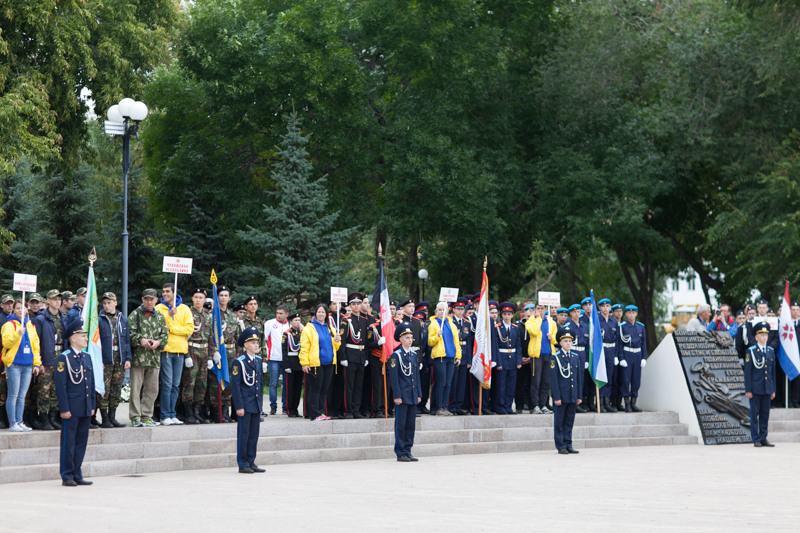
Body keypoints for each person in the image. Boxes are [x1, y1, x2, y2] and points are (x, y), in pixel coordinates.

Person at [54, 317, 95, 486]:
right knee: (69, 442)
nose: (86, 338)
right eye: (83, 336)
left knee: (81, 442)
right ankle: (67, 475)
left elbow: (91, 384)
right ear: (73, 338)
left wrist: (92, 406)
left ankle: (77, 473)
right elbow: (60, 386)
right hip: (71, 408)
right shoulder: (64, 358)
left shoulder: (86, 357)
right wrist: (64, 408)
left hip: (84, 407)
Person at [128, 289, 169, 427]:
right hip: (138, 358)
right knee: (135, 389)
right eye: (146, 299)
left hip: (154, 358)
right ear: (142, 299)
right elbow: (130, 333)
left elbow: (165, 335)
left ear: (156, 300)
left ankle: (146, 415)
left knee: (152, 389)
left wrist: (158, 342)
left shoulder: (160, 316)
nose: (149, 302)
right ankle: (135, 416)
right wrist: (140, 340)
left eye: (152, 299)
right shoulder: (135, 314)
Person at [155, 282, 194, 425]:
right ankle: (165, 415)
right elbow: (159, 327)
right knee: (167, 384)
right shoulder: (159, 308)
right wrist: (169, 316)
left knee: (176, 385)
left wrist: (172, 329)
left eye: (167, 291)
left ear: (174, 292)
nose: (164, 294)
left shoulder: (184, 308)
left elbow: (189, 329)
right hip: (166, 350)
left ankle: (172, 414)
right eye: (163, 291)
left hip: (180, 351)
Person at [2, 298, 42, 431]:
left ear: (26, 309)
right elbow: (6, 343)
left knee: (22, 396)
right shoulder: (9, 325)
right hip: (14, 365)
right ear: (14, 310)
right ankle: (12, 423)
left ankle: (20, 421)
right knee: (13, 394)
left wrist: (36, 364)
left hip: (28, 365)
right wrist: (17, 335)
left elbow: (35, 346)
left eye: (23, 308)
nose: (20, 310)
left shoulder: (30, 326)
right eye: (18, 308)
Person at [179, 288, 217, 425]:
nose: (198, 300)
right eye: (196, 297)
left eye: (201, 298)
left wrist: (211, 357)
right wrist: (186, 355)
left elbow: (211, 338)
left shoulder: (207, 316)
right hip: (191, 350)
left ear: (204, 300)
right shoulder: (187, 313)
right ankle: (188, 414)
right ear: (192, 299)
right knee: (189, 383)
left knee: (202, 384)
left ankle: (197, 413)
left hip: (204, 352)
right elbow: (184, 337)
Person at [231, 326, 265, 473]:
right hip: (245, 404)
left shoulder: (258, 360)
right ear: (245, 345)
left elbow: (260, 385)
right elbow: (235, 386)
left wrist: (260, 405)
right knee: (243, 435)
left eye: (257, 343)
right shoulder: (239, 362)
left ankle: (251, 461)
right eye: (253, 343)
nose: (256, 345)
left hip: (255, 404)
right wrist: (239, 406)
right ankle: (243, 463)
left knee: (253, 435)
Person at [299, 304, 341, 421]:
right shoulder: (309, 329)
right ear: (316, 314)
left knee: (324, 389)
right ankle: (314, 413)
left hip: (329, 364)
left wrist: (337, 341)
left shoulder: (331, 328)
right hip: (316, 364)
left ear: (326, 314)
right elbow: (304, 347)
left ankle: (321, 412)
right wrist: (304, 363)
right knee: (315, 389)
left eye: (323, 312)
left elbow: (335, 347)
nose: (321, 314)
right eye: (319, 312)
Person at [97, 292, 132, 428]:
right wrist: (99, 359)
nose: (107, 305)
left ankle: (112, 417)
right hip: (105, 359)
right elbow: (96, 342)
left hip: (119, 358)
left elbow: (127, 341)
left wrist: (128, 358)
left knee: (116, 388)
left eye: (109, 303)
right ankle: (104, 418)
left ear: (115, 303)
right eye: (104, 303)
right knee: (104, 389)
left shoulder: (123, 319)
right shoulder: (99, 319)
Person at [388, 322, 422, 462]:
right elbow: (394, 379)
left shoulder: (413, 355)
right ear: (401, 339)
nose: (410, 340)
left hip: (412, 395)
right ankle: (400, 452)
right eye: (407, 337)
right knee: (401, 425)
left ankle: (408, 450)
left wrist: (419, 394)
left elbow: (416, 376)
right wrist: (397, 396)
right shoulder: (396, 356)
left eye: (411, 337)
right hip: (402, 396)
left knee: (410, 425)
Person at [32, 289, 65, 430]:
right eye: (54, 299)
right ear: (48, 300)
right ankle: (44, 418)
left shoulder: (63, 318)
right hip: (46, 358)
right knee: (44, 390)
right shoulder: (41, 319)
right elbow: (36, 342)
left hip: (60, 357)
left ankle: (53, 417)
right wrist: (39, 362)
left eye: (59, 299)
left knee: (57, 388)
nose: (57, 302)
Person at [208, 285, 238, 423]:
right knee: (216, 383)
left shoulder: (233, 315)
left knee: (229, 382)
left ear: (229, 298)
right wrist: (213, 351)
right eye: (221, 295)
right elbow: (209, 335)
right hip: (218, 353)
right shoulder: (212, 315)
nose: (223, 298)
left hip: (231, 353)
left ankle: (225, 412)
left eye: (226, 295)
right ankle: (216, 412)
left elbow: (237, 337)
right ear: (217, 297)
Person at [744, 321, 776, 447]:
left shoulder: (770, 351)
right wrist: (748, 389)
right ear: (756, 337)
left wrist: (773, 389)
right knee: (755, 415)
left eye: (766, 335)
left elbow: (772, 372)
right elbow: (748, 372)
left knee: (765, 414)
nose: (764, 337)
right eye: (762, 335)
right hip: (755, 388)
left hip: (767, 387)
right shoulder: (751, 351)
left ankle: (763, 437)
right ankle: (756, 438)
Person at [551, 326, 582, 454]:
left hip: (572, 395)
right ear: (560, 343)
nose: (568, 343)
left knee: (569, 421)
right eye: (565, 341)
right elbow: (553, 380)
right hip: (561, 396)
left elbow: (578, 378)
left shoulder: (575, 356)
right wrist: (556, 397)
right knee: (559, 422)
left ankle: (568, 444)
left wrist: (579, 395)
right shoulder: (555, 358)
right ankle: (561, 445)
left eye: (570, 341)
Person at [428, 301, 461, 416]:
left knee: (448, 383)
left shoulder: (452, 324)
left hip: (451, 357)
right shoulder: (433, 324)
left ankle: (445, 407)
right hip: (440, 356)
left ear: (447, 311)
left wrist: (458, 356)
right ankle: (438, 408)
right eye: (440, 310)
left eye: (444, 309)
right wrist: (437, 336)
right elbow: (430, 342)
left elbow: (456, 342)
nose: (442, 312)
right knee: (441, 383)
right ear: (436, 311)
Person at [341, 293, 370, 419]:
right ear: (350, 306)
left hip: (361, 356)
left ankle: (356, 410)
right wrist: (343, 357)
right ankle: (348, 410)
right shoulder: (346, 320)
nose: (356, 306)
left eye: (358, 304)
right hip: (350, 356)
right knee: (349, 385)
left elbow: (366, 341)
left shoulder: (364, 320)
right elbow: (342, 340)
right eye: (354, 304)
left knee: (359, 386)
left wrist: (366, 357)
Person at [526, 303, 557, 414]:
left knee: (546, 382)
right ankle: (535, 405)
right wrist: (538, 318)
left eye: (542, 308)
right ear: (535, 310)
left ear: (545, 309)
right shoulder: (530, 321)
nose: (540, 310)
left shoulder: (551, 322)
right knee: (536, 382)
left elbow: (556, 339)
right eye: (538, 308)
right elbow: (534, 331)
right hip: (536, 356)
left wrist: (552, 337)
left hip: (549, 355)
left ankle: (543, 404)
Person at [492, 302, 521, 415]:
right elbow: (496, 347)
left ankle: (508, 406)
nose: (507, 316)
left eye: (509, 314)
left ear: (512, 315)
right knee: (501, 385)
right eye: (504, 314)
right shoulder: (497, 328)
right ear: (502, 315)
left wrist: (518, 361)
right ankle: (500, 406)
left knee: (511, 385)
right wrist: (498, 362)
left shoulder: (515, 328)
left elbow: (518, 345)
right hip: (502, 358)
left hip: (513, 359)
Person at [617, 305, 647, 413]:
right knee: (625, 380)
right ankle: (627, 404)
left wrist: (644, 357)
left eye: (633, 313)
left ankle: (633, 403)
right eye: (629, 313)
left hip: (637, 355)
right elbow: (619, 344)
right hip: (627, 354)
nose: (631, 315)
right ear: (626, 314)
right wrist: (621, 358)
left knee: (636, 380)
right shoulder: (622, 327)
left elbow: (644, 343)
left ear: (636, 314)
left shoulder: (640, 327)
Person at [264, 305, 291, 415]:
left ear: (287, 314)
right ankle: (273, 406)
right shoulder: (270, 323)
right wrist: (266, 355)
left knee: (286, 383)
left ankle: (285, 406)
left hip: (286, 358)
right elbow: (265, 339)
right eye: (277, 313)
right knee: (273, 383)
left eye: (281, 313)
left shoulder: (290, 324)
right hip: (274, 358)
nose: (278, 315)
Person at [449, 297, 472, 415]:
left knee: (462, 383)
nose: (460, 311)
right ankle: (452, 406)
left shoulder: (467, 322)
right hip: (454, 354)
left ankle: (459, 405)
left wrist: (469, 360)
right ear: (453, 309)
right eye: (457, 309)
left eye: (462, 309)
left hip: (464, 355)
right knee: (454, 382)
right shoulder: (449, 322)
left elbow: (469, 342)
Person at [596, 298, 619, 413]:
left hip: (611, 350)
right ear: (600, 308)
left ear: (610, 308)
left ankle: (607, 402)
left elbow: (617, 340)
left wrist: (616, 355)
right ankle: (600, 403)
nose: (605, 308)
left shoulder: (614, 321)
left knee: (609, 377)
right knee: (601, 377)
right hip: (601, 351)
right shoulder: (596, 320)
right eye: (603, 306)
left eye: (607, 306)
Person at [282, 312, 304, 417]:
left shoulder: (302, 333)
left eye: (299, 320)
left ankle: (295, 409)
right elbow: (284, 351)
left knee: (298, 388)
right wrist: (286, 365)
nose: (297, 322)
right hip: (290, 362)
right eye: (295, 320)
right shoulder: (287, 334)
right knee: (290, 388)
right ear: (290, 322)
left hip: (300, 363)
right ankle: (289, 409)